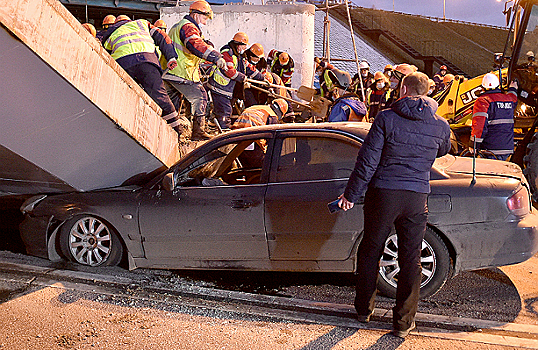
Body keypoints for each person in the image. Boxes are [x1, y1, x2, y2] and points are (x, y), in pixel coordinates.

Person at [336, 71, 451, 338]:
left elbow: (367, 161)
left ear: (403, 90)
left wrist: (350, 195)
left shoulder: (386, 118)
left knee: (371, 250)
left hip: (384, 193)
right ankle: (403, 323)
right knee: (410, 259)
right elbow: (443, 149)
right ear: (428, 92)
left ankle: (364, 310)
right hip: (416, 197)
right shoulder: (440, 124)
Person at [100, 15, 183, 137]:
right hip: (147, 60)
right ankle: (177, 131)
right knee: (160, 96)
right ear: (129, 20)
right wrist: (171, 57)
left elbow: (105, 54)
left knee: (126, 99)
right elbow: (163, 37)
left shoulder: (109, 34)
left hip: (123, 64)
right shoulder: (142, 23)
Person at [163, 0, 226, 140]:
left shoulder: (178, 26)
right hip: (181, 72)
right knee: (200, 96)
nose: (204, 22)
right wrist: (215, 57)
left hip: (170, 72)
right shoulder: (188, 27)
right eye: (204, 18)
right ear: (196, 14)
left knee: (173, 107)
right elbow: (195, 44)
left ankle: (171, 133)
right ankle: (198, 132)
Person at [207, 32, 265, 130]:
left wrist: (262, 78)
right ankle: (225, 133)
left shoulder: (238, 55)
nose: (245, 49)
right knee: (226, 111)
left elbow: (249, 68)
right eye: (244, 46)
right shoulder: (227, 52)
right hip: (220, 86)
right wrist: (243, 78)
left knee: (221, 110)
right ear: (238, 45)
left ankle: (213, 124)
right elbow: (228, 71)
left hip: (228, 88)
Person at [471, 73, 518, 161]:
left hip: (491, 150)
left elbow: (479, 126)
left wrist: (474, 145)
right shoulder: (509, 99)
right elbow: (513, 97)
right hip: (507, 149)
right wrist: (513, 88)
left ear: (482, 87)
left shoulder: (483, 101)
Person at [232, 98, 288, 168]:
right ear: (281, 114)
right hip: (252, 139)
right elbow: (271, 137)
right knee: (258, 166)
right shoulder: (272, 115)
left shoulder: (256, 107)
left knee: (246, 163)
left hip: (236, 137)